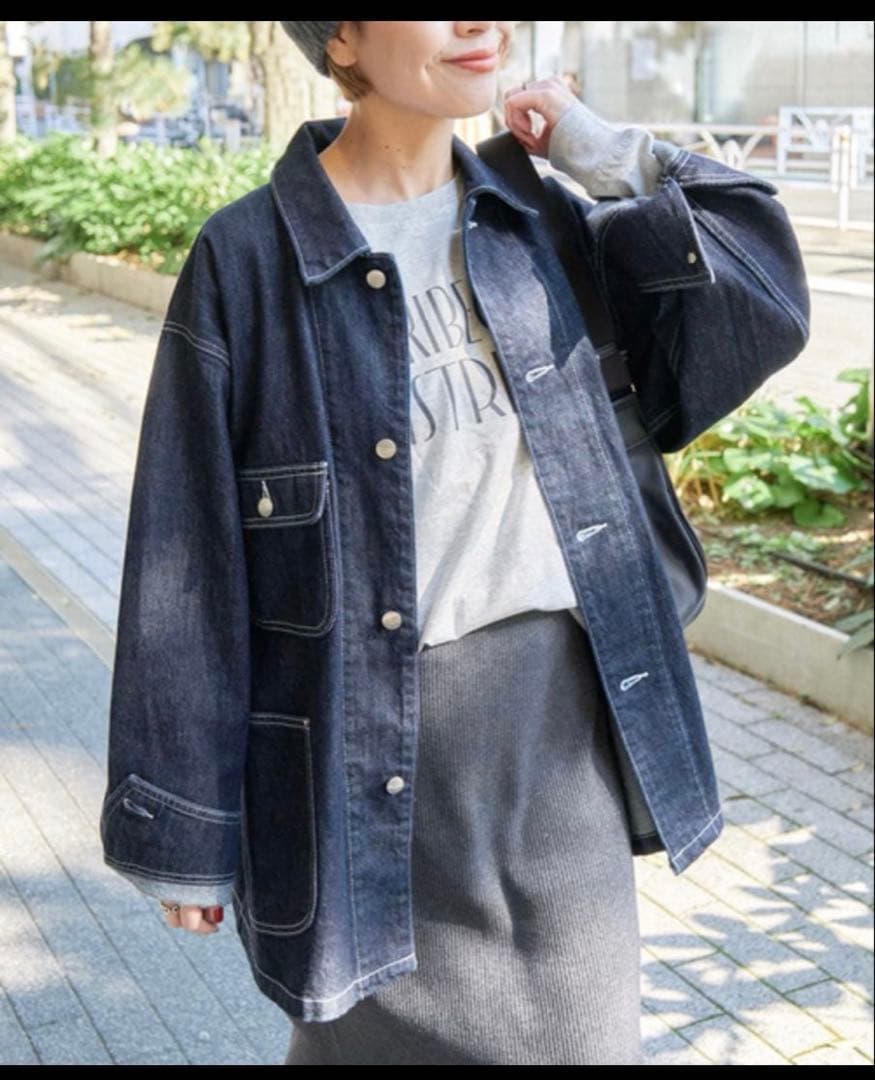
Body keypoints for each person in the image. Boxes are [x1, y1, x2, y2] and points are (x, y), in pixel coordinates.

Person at [99, 18, 810, 1068]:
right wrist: (187, 831)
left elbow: (761, 297)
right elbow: (188, 552)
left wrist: (594, 148)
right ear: (342, 38)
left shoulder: (541, 219)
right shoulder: (247, 261)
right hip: (349, 758)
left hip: (556, 740)